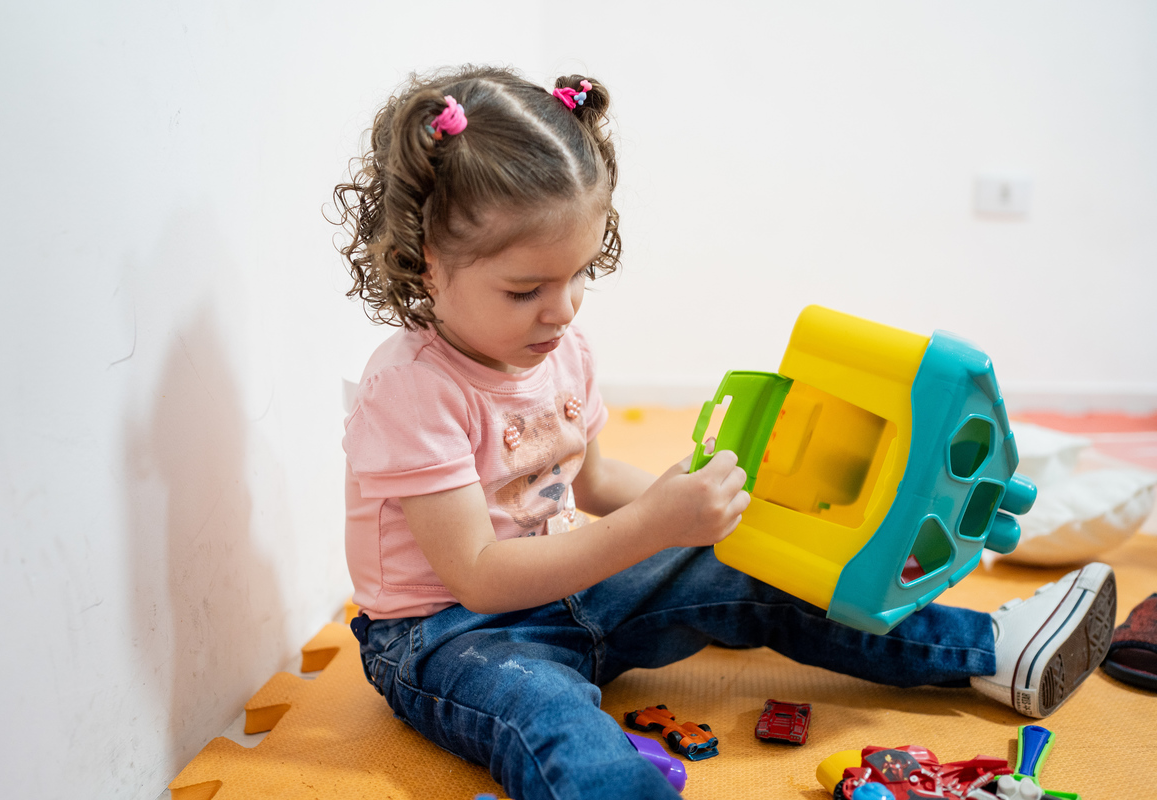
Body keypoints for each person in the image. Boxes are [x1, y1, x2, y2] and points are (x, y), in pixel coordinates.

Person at [333, 65, 1117, 800]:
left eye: (579, 275)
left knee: (753, 574)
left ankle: (990, 653)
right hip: (449, 639)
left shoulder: (562, 350)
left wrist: (717, 517)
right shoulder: (411, 387)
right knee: (547, 718)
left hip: (571, 591)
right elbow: (476, 573)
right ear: (427, 261)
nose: (563, 308)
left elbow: (599, 485)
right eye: (526, 288)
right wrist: (653, 527)